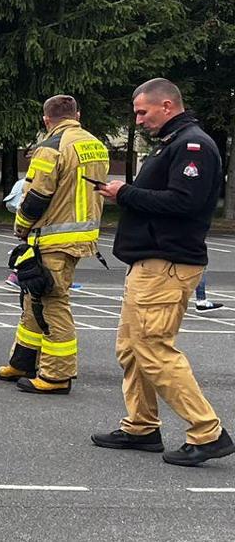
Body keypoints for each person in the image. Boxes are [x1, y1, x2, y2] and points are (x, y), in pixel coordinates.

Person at [94, 78, 233, 465]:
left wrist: (124, 194)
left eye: (143, 112)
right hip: (151, 262)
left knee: (154, 348)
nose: (138, 120)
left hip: (168, 264)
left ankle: (208, 432)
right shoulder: (174, 143)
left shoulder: (193, 145)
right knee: (132, 348)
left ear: (167, 106)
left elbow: (183, 202)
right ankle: (141, 426)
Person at [0, 96, 110, 395]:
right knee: (34, 299)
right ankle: (23, 362)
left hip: (53, 236)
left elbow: (37, 195)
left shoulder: (51, 145)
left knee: (53, 303)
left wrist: (21, 226)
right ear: (78, 115)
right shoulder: (94, 143)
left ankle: (57, 375)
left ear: (46, 119)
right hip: (79, 236)